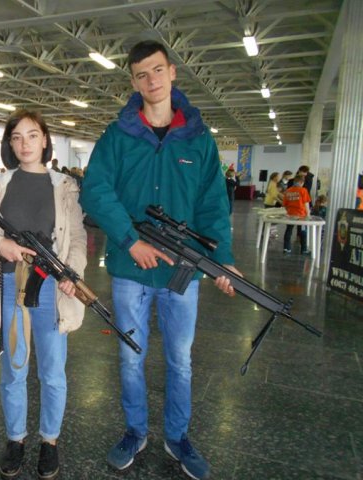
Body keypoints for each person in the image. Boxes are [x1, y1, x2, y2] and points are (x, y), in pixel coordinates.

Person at [79, 40, 240, 480]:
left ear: (172, 72)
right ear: (133, 83)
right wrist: (130, 240)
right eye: (141, 75)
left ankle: (177, 437)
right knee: (131, 358)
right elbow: (95, 190)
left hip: (182, 274)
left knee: (180, 361)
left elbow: (213, 205)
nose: (150, 80)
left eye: (157, 70)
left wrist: (223, 259)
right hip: (130, 269)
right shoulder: (117, 137)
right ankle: (135, 432)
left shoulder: (199, 140)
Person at [0, 109, 87, 480]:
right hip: (8, 285)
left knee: (52, 371)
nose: (25, 144)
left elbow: (77, 237)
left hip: (52, 288)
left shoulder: (64, 186)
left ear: (45, 140)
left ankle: (50, 441)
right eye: (16, 137)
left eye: (32, 135)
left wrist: (72, 273)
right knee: (13, 370)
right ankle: (15, 439)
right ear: (10, 144)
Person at [282, 174, 312, 254]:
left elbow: (285, 205)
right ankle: (304, 249)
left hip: (290, 215)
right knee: (303, 231)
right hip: (301, 216)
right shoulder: (303, 190)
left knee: (289, 230)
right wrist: (308, 214)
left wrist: (289, 211)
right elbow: (306, 203)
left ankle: (286, 248)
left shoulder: (288, 191)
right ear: (302, 182)